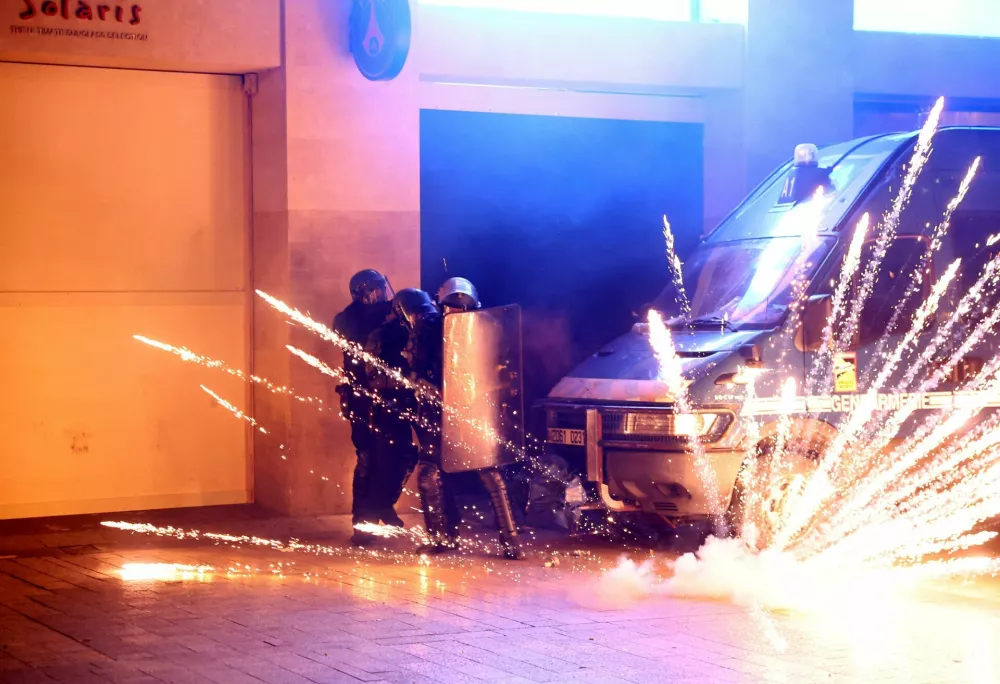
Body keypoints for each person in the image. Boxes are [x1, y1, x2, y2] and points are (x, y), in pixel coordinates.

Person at [436, 278, 524, 560]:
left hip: (475, 409)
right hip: (445, 411)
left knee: (489, 473)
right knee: (435, 474)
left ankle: (511, 541)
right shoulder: (434, 334)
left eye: (463, 307)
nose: (457, 311)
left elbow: (499, 371)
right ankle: (444, 537)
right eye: (452, 306)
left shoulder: (487, 329)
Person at [390, 288, 462, 552]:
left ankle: (438, 538)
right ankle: (451, 533)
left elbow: (421, 372)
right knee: (446, 470)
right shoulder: (447, 323)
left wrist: (403, 375)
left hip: (434, 409)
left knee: (429, 472)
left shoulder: (422, 329)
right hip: (457, 409)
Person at [332, 269, 397, 544]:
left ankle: (382, 503)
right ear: (365, 292)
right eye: (378, 290)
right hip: (362, 400)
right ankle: (363, 524)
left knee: (401, 455)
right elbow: (357, 331)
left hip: (387, 398)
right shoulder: (348, 319)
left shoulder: (386, 314)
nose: (383, 294)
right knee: (367, 458)